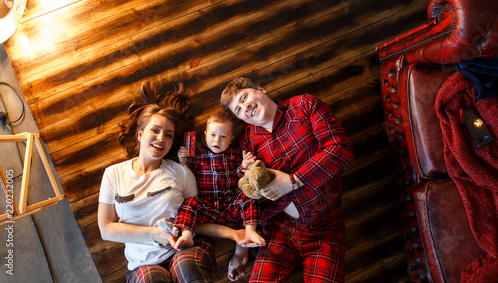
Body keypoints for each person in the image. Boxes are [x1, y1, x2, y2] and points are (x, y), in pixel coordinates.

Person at [220, 77, 354, 282]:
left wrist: (294, 180)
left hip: (325, 227)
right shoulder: (247, 141)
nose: (245, 107)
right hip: (279, 229)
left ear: (261, 89)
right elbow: (247, 194)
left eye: (244, 97)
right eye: (238, 110)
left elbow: (340, 150)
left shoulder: (304, 106)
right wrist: (241, 249)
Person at [98, 82, 216, 283]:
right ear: (140, 134)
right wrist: (155, 234)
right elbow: (106, 229)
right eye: (155, 130)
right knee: (151, 279)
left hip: (184, 249)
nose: (161, 138)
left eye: (168, 135)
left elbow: (194, 211)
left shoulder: (180, 172)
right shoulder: (113, 174)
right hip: (142, 263)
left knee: (186, 269)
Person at [174, 110, 265, 281]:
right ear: (206, 135)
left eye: (223, 137)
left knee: (249, 197)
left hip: (229, 204)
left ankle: (250, 231)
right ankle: (186, 234)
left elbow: (239, 175)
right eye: (213, 135)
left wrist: (244, 165)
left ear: (230, 140)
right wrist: (183, 162)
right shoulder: (198, 154)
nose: (217, 140)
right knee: (189, 203)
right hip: (207, 207)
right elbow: (188, 175)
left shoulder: (233, 154)